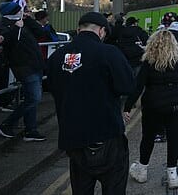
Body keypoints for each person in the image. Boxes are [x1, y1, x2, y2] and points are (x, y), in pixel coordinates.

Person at [47, 12, 135, 195]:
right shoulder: (108, 52)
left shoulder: (57, 57)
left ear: (79, 29)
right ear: (102, 31)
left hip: (73, 138)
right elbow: (127, 86)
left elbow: (52, 88)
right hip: (107, 134)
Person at [124, 29, 178, 190]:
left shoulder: (149, 62)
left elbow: (138, 86)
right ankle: (172, 174)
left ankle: (142, 169)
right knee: (174, 138)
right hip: (176, 104)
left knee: (148, 137)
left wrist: (128, 107)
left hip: (153, 105)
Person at [0, 1, 47, 142]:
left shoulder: (22, 22)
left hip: (34, 64)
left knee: (32, 98)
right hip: (23, 66)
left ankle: (31, 129)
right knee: (34, 98)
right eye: (21, 10)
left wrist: (28, 19)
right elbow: (4, 39)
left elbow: (41, 32)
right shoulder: (3, 24)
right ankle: (7, 124)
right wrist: (16, 28)